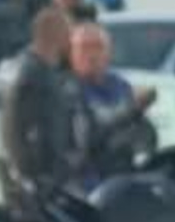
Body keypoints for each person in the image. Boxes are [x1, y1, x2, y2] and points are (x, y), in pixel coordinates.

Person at [0, 3, 80, 212]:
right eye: (68, 31)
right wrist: (34, 178)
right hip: (39, 185)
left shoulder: (44, 72)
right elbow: (17, 131)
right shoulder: (32, 75)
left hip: (48, 180)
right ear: (56, 34)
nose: (71, 38)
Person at [65, 19, 152, 180]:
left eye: (97, 47)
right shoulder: (66, 89)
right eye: (84, 48)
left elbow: (142, 133)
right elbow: (91, 133)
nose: (91, 55)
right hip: (86, 176)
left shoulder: (120, 85)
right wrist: (132, 108)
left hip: (123, 171)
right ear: (71, 54)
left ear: (109, 52)